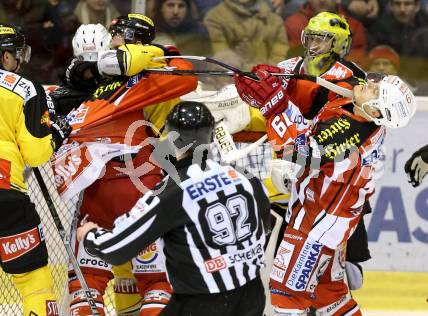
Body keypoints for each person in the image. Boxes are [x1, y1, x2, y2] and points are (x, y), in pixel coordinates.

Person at [235, 70, 416, 315]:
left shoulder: (350, 131)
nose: (368, 83)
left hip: (315, 227)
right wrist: (282, 83)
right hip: (332, 223)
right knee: (330, 297)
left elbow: (294, 151)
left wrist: (273, 105)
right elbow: (312, 118)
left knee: (287, 294)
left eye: (376, 89)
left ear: (375, 111)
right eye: (376, 81)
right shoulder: (358, 110)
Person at [52, 14, 198, 315]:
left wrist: (157, 53)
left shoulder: (144, 72)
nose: (115, 40)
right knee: (154, 280)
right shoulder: (127, 80)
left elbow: (184, 74)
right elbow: (185, 75)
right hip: (137, 185)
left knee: (88, 281)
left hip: (109, 187)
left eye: (120, 35)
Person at [76, 101, 271, 316]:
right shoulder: (246, 177)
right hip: (252, 295)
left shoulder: (170, 193)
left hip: (201, 304)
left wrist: (89, 236)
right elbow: (264, 226)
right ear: (213, 135)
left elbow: (115, 250)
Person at [0, 24, 71, 316]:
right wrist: (57, 131)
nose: (19, 60)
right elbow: (36, 152)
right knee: (35, 286)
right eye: (16, 54)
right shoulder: (23, 87)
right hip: (5, 194)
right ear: (5, 57)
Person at [203, 0, 289, 71]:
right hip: (229, 83)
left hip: (269, 81)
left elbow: (281, 53)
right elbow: (221, 59)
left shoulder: (274, 20)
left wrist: (269, 73)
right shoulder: (215, 18)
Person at [284, 0, 368, 67]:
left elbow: (358, 58)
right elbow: (294, 56)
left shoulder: (354, 25)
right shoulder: (294, 23)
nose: (322, 1)